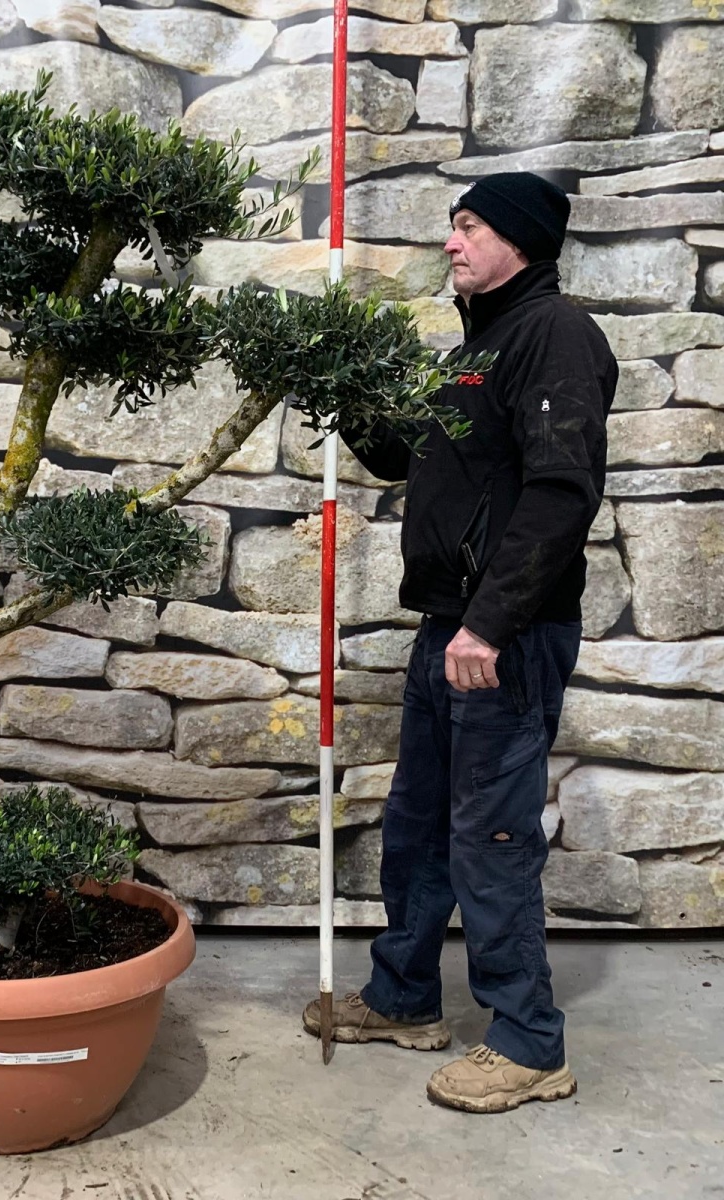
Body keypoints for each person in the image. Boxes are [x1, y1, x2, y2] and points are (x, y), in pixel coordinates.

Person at [303, 172, 617, 1113]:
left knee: (491, 834)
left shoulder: (553, 335)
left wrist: (490, 622)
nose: (451, 241)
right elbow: (401, 454)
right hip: (447, 627)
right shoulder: (475, 349)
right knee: (418, 820)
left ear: (519, 240)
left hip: (501, 638)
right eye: (452, 225)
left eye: (469, 225)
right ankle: (403, 997)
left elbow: (564, 494)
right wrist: (339, 386)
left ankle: (528, 1044)